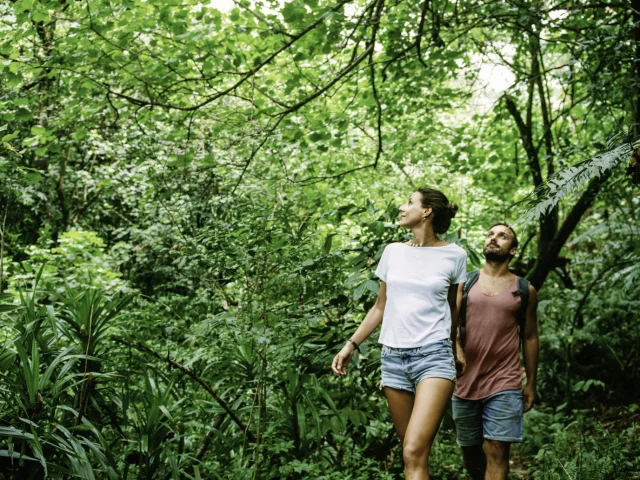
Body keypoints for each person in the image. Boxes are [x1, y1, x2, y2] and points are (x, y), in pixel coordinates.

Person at [331, 187, 467, 480]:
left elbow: (453, 310)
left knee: (414, 451)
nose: (402, 208)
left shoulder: (455, 255)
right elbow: (380, 307)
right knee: (412, 454)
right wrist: (351, 344)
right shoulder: (393, 251)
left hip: (433, 357)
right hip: (393, 359)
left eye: (409, 203)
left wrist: (454, 345)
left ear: (427, 211)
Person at [452, 223, 539, 480]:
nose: (493, 238)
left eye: (502, 236)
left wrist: (531, 382)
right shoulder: (464, 283)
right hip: (465, 381)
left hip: (505, 382)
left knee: (498, 452)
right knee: (470, 453)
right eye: (490, 234)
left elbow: (531, 336)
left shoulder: (525, 290)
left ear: (512, 250)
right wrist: (455, 346)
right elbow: (449, 324)